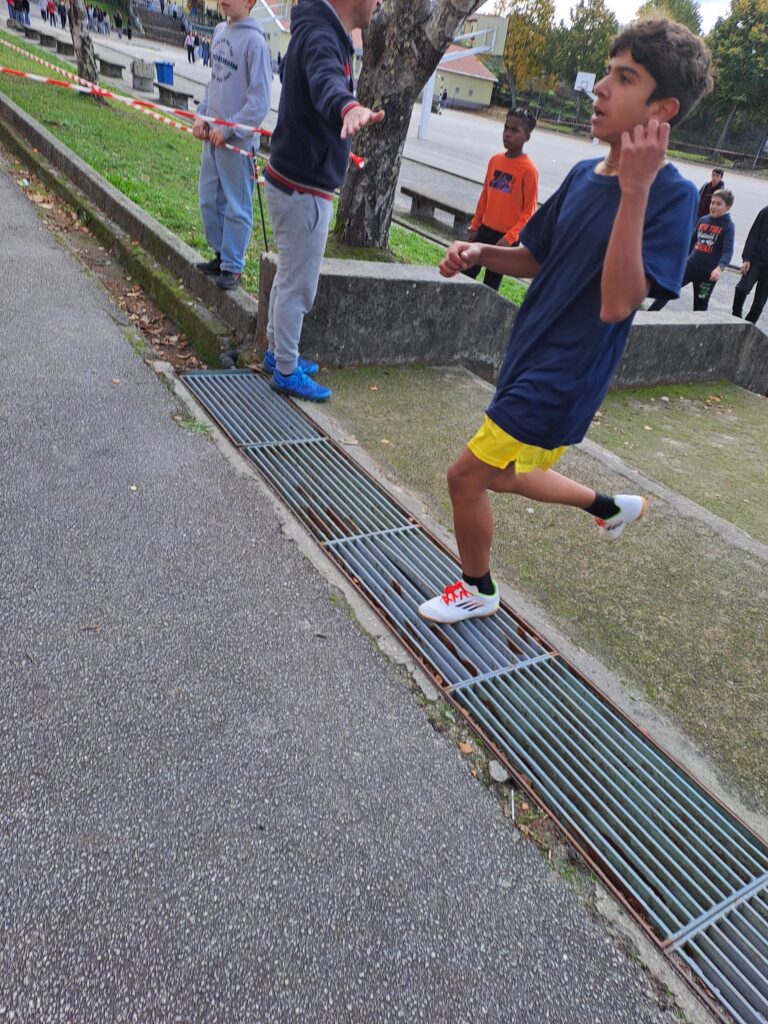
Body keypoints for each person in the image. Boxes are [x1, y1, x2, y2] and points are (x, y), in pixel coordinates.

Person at [417, 18, 713, 624]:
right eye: (607, 71)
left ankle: (478, 588)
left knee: (465, 478)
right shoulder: (582, 174)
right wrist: (479, 253)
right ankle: (609, 506)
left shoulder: (672, 196)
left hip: (566, 374)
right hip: (529, 350)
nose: (600, 87)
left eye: (624, 78)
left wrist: (635, 191)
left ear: (663, 109)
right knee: (504, 474)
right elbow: (535, 255)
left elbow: (618, 303)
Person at [262, 0, 385, 401]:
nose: (380, 3)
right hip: (303, 189)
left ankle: (277, 353)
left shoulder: (319, 29)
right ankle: (285, 369)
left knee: (288, 276)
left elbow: (320, 78)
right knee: (299, 286)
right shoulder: (321, 36)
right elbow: (326, 80)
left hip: (291, 181)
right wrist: (347, 106)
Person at [192, 0, 272, 290]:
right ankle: (221, 254)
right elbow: (213, 83)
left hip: (237, 144)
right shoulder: (219, 31)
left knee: (237, 206)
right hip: (212, 138)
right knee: (209, 198)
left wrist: (228, 128)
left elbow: (259, 102)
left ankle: (233, 266)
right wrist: (202, 116)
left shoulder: (255, 43)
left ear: (250, 2)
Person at [463, 106, 539, 292]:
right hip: (484, 231)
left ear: (527, 137)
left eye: (515, 130)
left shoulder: (529, 170)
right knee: (465, 274)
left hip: (505, 239)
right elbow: (485, 197)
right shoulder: (495, 161)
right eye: (506, 128)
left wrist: (508, 239)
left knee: (490, 286)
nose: (507, 134)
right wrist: (475, 225)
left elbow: (529, 213)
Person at [649, 188, 734, 311]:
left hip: (707, 274)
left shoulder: (728, 226)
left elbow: (728, 251)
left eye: (718, 204)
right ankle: (649, 315)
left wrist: (719, 268)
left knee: (700, 305)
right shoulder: (703, 220)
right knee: (667, 289)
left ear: (728, 207)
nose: (713, 206)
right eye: (712, 202)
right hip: (690, 266)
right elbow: (691, 243)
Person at [732, 205, 768, 325]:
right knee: (741, 289)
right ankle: (736, 318)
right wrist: (746, 258)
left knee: (759, 302)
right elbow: (753, 235)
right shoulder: (765, 211)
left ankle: (749, 325)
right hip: (756, 260)